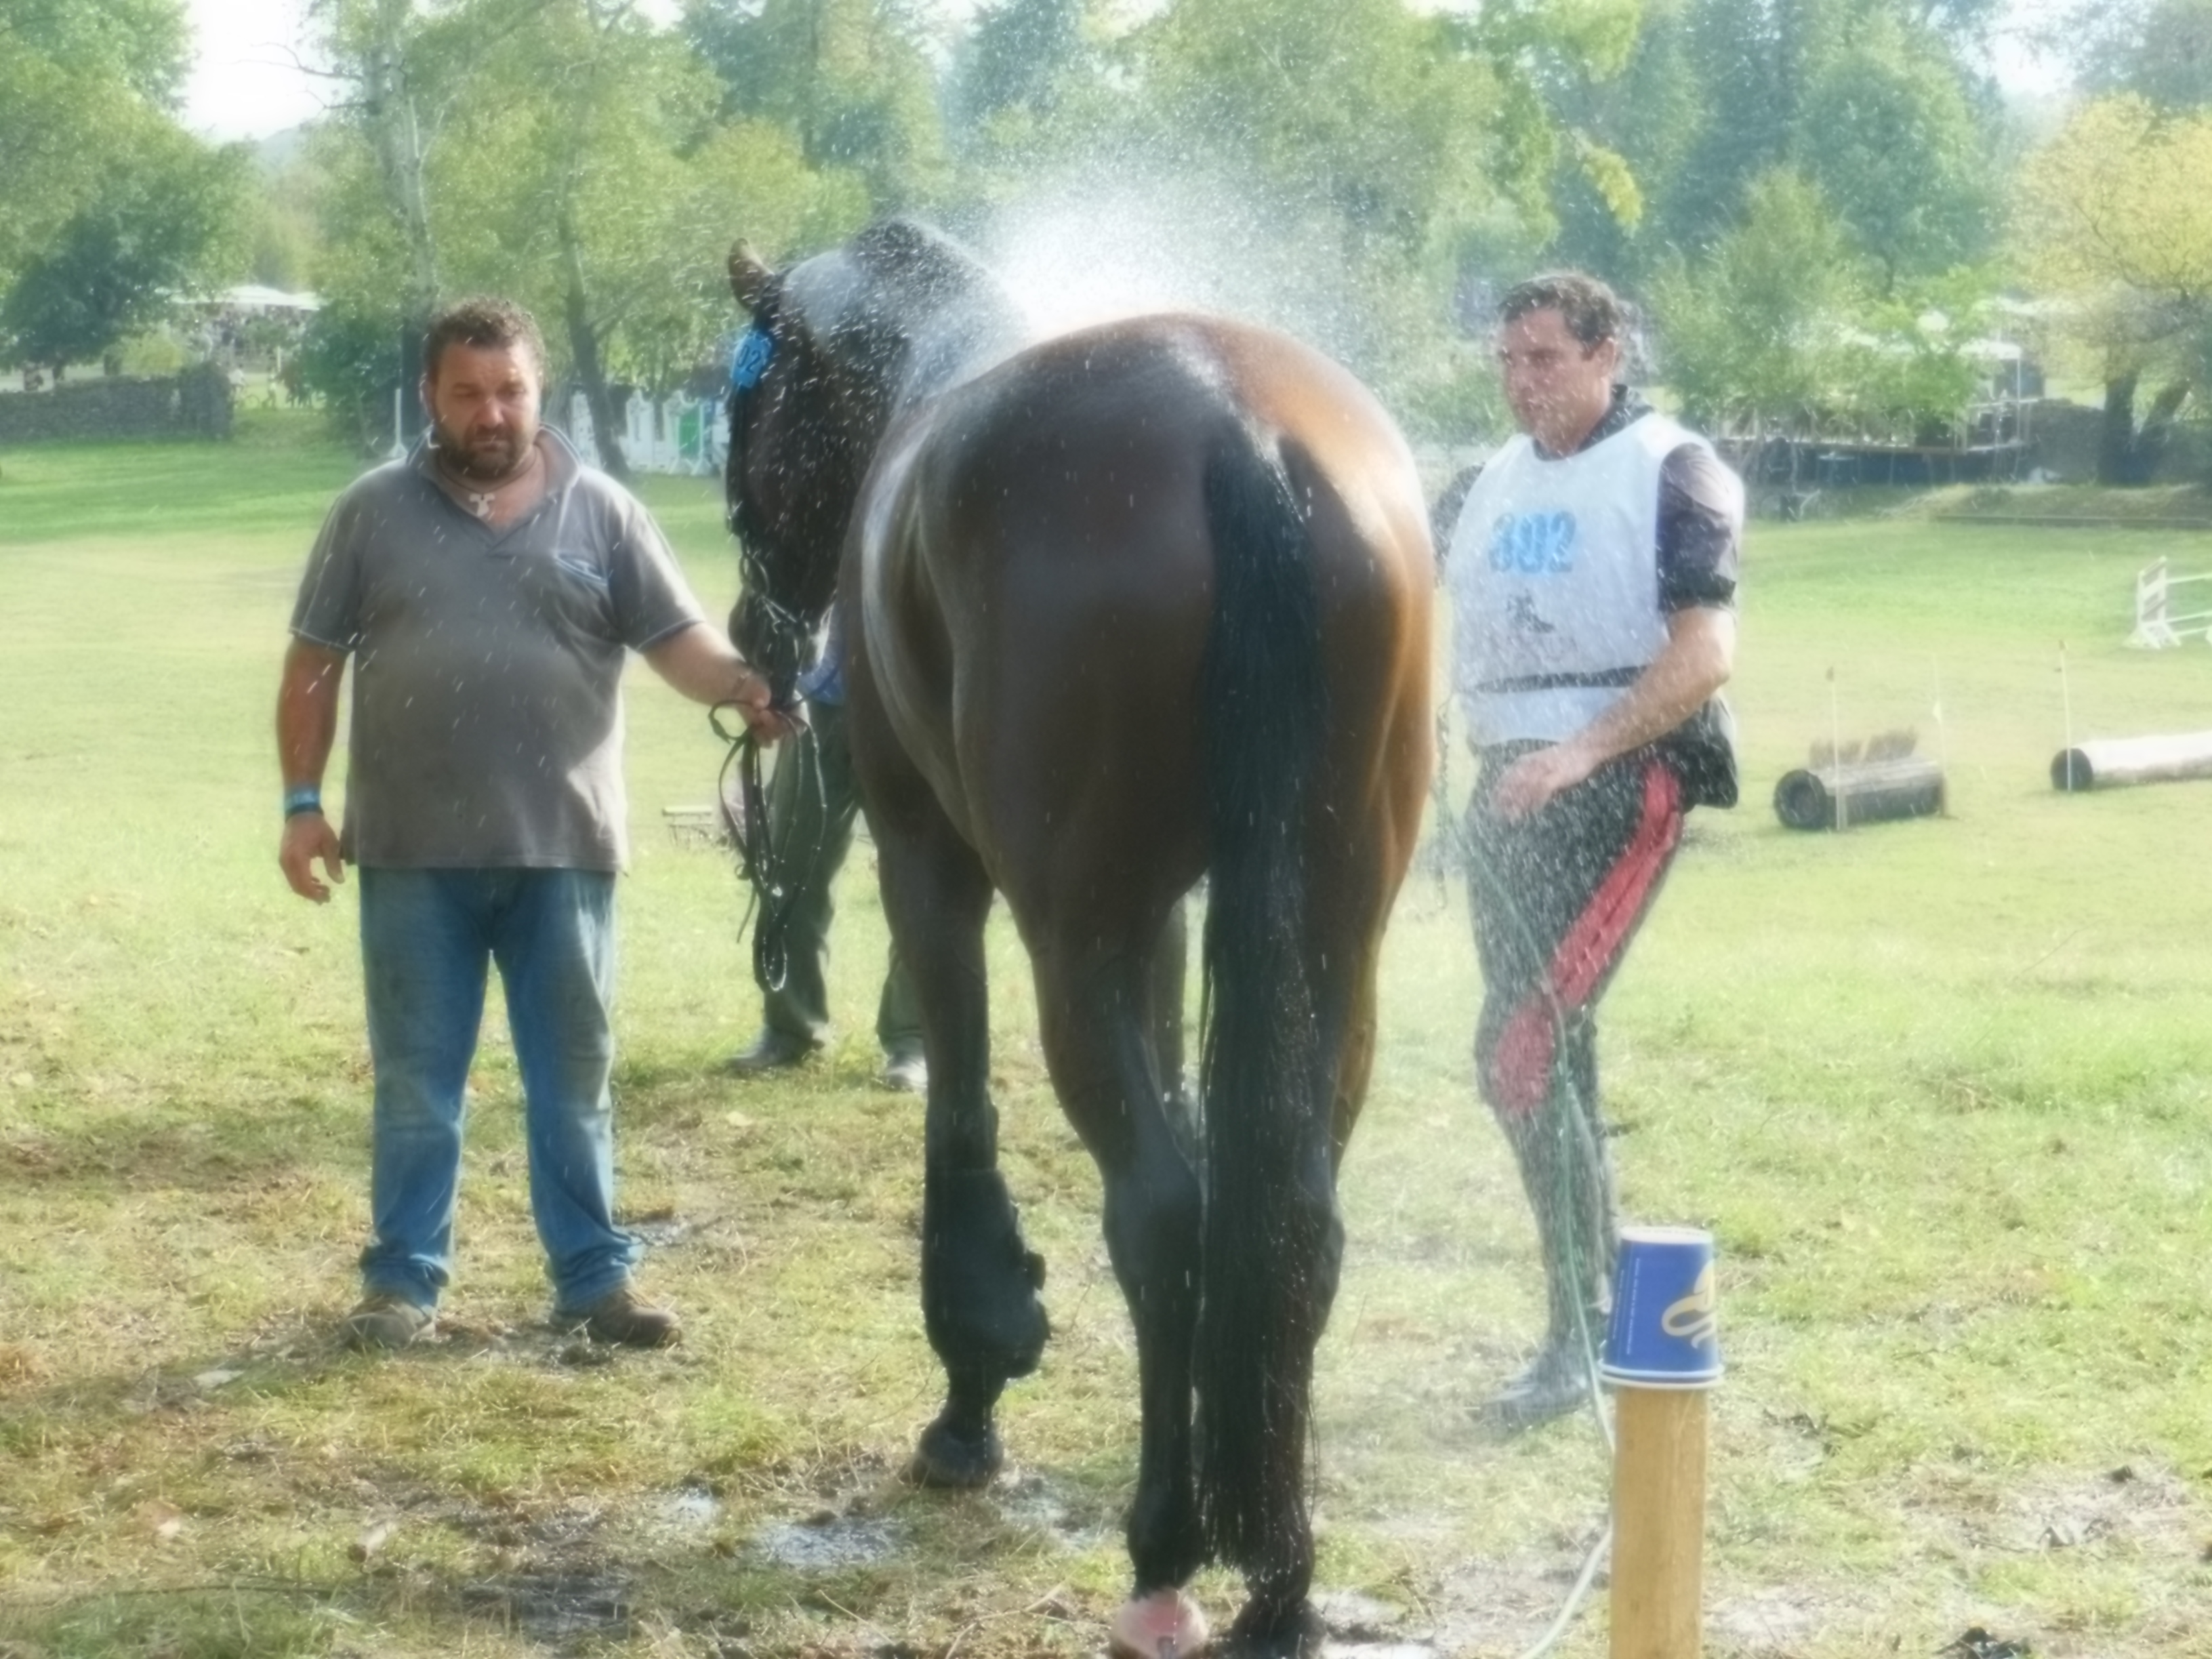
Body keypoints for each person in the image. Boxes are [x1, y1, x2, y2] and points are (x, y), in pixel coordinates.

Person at [276, 296, 792, 1353]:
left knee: (575, 1080)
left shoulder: (604, 511)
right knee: (419, 1083)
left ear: (537, 389)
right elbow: (311, 666)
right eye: (467, 392)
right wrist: (300, 805)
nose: (491, 412)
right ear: (432, 397)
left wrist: (740, 683)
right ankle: (402, 1286)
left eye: (508, 389)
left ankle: (596, 1284)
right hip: (413, 855)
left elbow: (676, 642)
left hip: (565, 849)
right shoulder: (370, 513)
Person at [1443, 271, 1741, 1429]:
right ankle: (1615, 1317)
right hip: (1502, 792)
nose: (1524, 384)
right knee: (1554, 1059)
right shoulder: (1486, 486)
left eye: (1547, 361)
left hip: (1624, 785)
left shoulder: (1676, 467)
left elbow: (1704, 654)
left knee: (1517, 1053)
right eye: (1508, 362)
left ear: (1607, 352)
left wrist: (1580, 755)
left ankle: (1575, 1338)